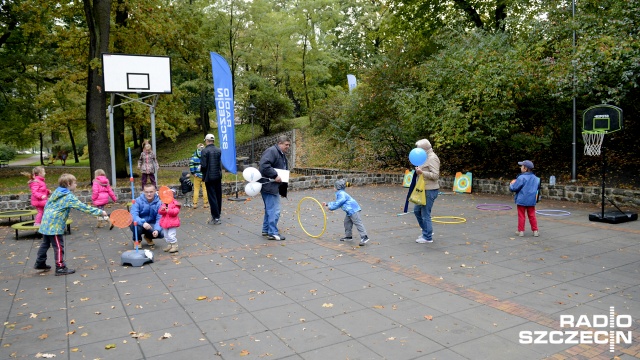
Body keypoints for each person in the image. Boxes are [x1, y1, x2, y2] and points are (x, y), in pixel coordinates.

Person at [34, 174, 107, 276]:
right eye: (75, 183)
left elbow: (47, 204)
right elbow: (83, 207)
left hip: (46, 222)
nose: (76, 184)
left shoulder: (57, 192)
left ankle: (40, 263)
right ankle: (60, 267)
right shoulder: (68, 197)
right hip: (54, 225)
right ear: (69, 184)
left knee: (45, 243)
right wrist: (99, 212)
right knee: (59, 246)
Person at [259, 135, 290, 241]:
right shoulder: (272, 151)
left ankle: (266, 229)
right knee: (274, 210)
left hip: (271, 186)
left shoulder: (278, 153)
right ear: (279, 143)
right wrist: (275, 175)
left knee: (269, 209)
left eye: (289, 145)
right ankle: (272, 233)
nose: (288, 147)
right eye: (286, 144)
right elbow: (264, 165)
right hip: (270, 186)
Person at [323, 179, 370, 246]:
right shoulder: (340, 193)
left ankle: (364, 237)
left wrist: (330, 207)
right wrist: (328, 204)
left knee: (358, 223)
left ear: (338, 187)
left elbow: (339, 203)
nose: (333, 188)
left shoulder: (341, 194)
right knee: (347, 223)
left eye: (334, 186)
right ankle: (348, 236)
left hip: (353, 210)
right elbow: (337, 202)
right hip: (349, 211)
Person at [413, 139, 440, 244]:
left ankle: (427, 237)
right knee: (416, 211)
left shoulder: (433, 158)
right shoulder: (424, 157)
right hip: (422, 190)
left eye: (418, 149)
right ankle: (427, 231)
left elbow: (435, 175)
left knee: (425, 213)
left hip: (430, 190)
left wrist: (422, 172)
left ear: (424, 149)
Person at [509, 160, 540, 237]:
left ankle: (521, 231)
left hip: (521, 200)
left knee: (521, 215)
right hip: (531, 200)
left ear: (525, 168)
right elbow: (537, 188)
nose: (520, 167)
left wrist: (511, 184)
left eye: (521, 166)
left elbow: (514, 188)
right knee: (532, 215)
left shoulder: (521, 177)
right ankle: (535, 231)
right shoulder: (536, 178)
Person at [129, 183, 164, 248]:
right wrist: (143, 223)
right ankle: (137, 240)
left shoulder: (159, 203)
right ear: (143, 192)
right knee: (136, 225)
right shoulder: (137, 201)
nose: (149, 194)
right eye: (146, 192)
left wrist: (157, 230)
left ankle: (148, 236)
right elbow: (133, 215)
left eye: (151, 192)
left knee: (161, 233)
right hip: (140, 223)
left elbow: (160, 218)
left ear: (155, 191)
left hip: (151, 224)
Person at [200, 134, 223, 224]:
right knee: (218, 196)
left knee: (212, 197)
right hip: (217, 176)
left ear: (207, 141)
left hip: (209, 177)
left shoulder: (204, 151)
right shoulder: (218, 150)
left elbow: (204, 165)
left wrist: (201, 169)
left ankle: (215, 217)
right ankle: (218, 214)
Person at [188, 143, 208, 209]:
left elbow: (191, 165)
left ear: (197, 148)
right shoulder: (205, 155)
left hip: (196, 175)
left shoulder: (194, 156)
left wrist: (193, 173)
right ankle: (205, 203)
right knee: (205, 189)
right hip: (204, 176)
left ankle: (195, 204)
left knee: (196, 190)